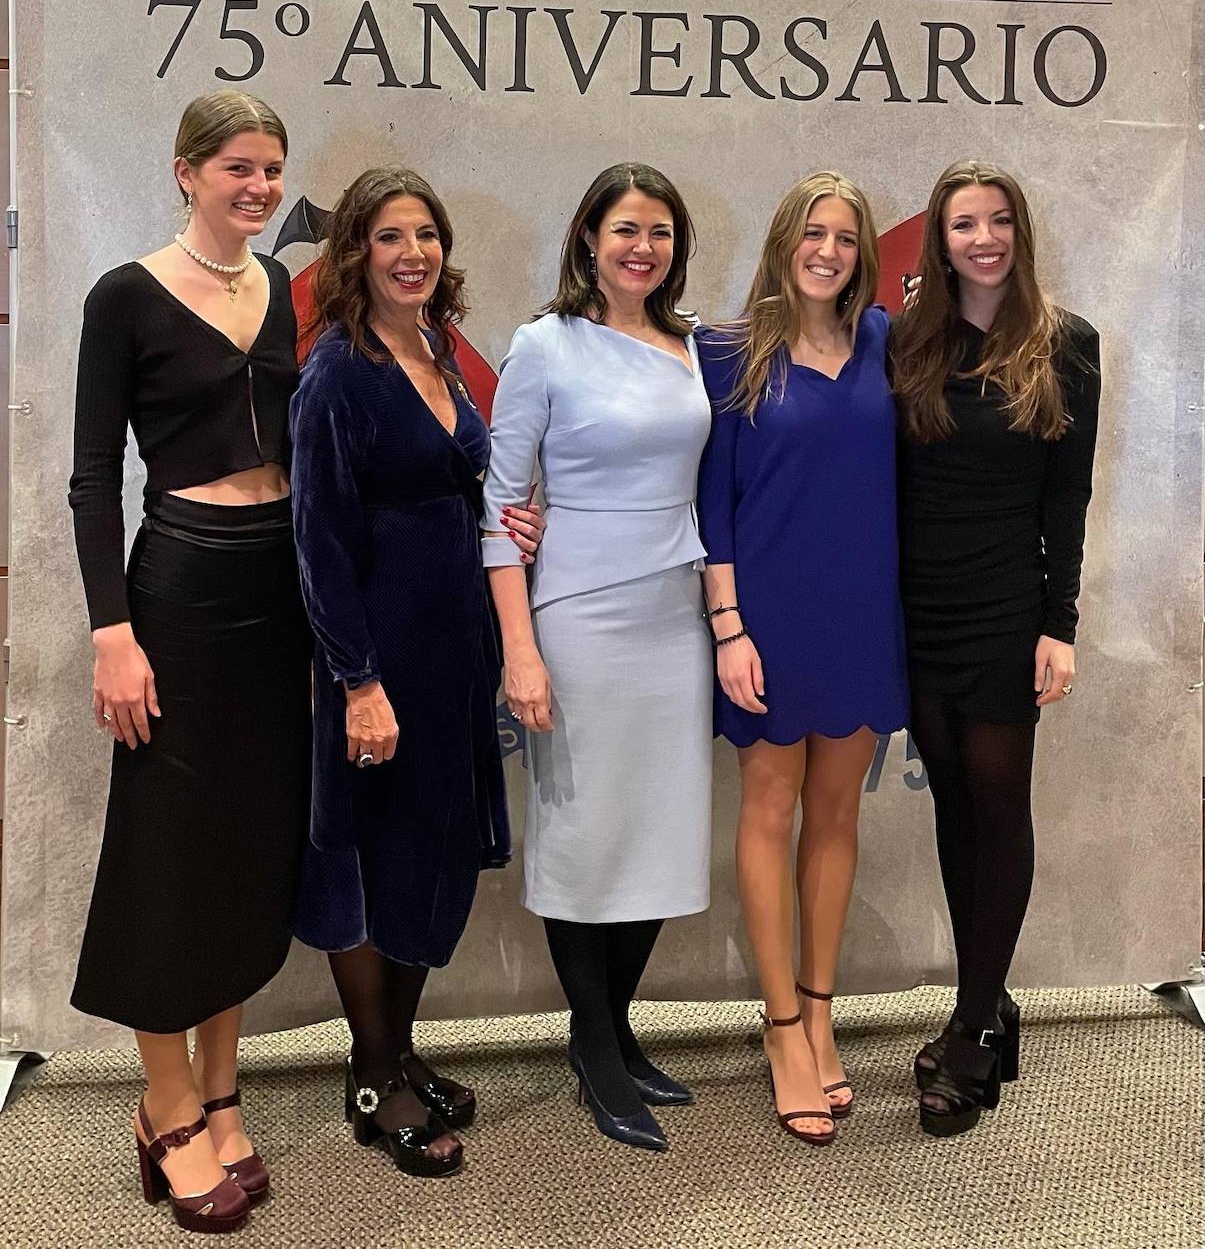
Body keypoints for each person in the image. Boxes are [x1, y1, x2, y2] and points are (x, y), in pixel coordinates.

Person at [68, 91, 310, 1233]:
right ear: (185, 173)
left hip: (278, 586)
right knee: (167, 849)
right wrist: (112, 632)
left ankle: (220, 1085)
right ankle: (161, 1103)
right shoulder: (123, 296)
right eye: (237, 168)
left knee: (249, 846)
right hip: (179, 590)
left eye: (270, 168)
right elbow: (88, 479)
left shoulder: (279, 293)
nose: (258, 187)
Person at [288, 166, 544, 1178]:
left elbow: (460, 485)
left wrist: (505, 516)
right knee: (366, 856)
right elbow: (317, 539)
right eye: (389, 237)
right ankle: (372, 1070)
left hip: (453, 655)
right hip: (377, 661)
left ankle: (397, 1052)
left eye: (425, 235)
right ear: (355, 252)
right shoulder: (338, 373)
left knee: (426, 855)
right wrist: (356, 681)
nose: (411, 254)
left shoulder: (433, 349)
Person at [481, 163, 713, 1153]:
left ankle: (618, 1025)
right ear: (587, 237)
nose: (641, 247)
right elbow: (498, 508)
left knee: (657, 831)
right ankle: (590, 1039)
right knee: (582, 835)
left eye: (658, 231)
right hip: (576, 617)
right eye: (624, 228)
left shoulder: (697, 348)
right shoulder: (544, 344)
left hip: (674, 617)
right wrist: (519, 653)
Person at [694, 173, 908, 1146]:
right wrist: (729, 629)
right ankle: (781, 1028)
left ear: (863, 253)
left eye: (845, 238)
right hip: (766, 620)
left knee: (832, 814)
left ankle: (820, 1012)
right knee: (769, 809)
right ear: (784, 239)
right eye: (812, 233)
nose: (827, 250)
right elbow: (710, 503)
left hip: (862, 612)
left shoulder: (882, 344)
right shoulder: (728, 353)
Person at [892, 160, 1100, 1137]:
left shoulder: (1065, 344)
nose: (981, 238)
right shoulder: (906, 343)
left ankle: (971, 1027)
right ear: (937, 241)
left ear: (1017, 231)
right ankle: (993, 1006)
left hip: (1005, 612)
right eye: (961, 223)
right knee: (953, 815)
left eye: (996, 220)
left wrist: (1057, 623)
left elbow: (1067, 495)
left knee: (996, 804)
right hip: (916, 609)